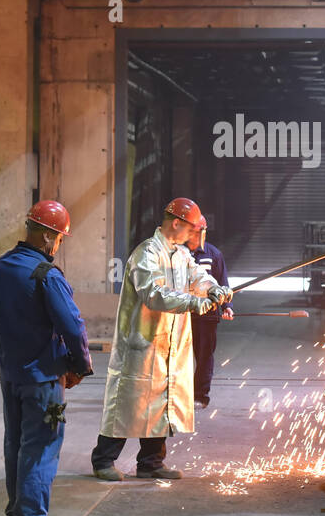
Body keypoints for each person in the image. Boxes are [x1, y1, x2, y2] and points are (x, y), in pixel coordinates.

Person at [91, 197, 233, 480]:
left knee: (161, 404)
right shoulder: (147, 253)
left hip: (169, 343)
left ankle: (151, 462)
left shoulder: (180, 254)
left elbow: (197, 277)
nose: (194, 236)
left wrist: (214, 289)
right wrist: (193, 304)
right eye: (192, 229)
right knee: (127, 403)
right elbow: (153, 294)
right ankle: (103, 460)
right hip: (142, 343)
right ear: (176, 223)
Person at [0, 200, 92, 516]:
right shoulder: (46, 276)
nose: (59, 245)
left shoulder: (0, 267)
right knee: (42, 445)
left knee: (15, 442)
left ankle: (16, 511)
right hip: (44, 377)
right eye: (60, 239)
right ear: (48, 237)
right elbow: (73, 327)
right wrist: (79, 366)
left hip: (11, 374)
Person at [186, 214, 232, 408]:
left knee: (204, 356)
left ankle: (200, 395)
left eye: (197, 232)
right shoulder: (178, 254)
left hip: (207, 316)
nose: (193, 236)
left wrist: (227, 306)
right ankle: (180, 394)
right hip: (184, 314)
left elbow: (222, 283)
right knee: (181, 357)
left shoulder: (213, 255)